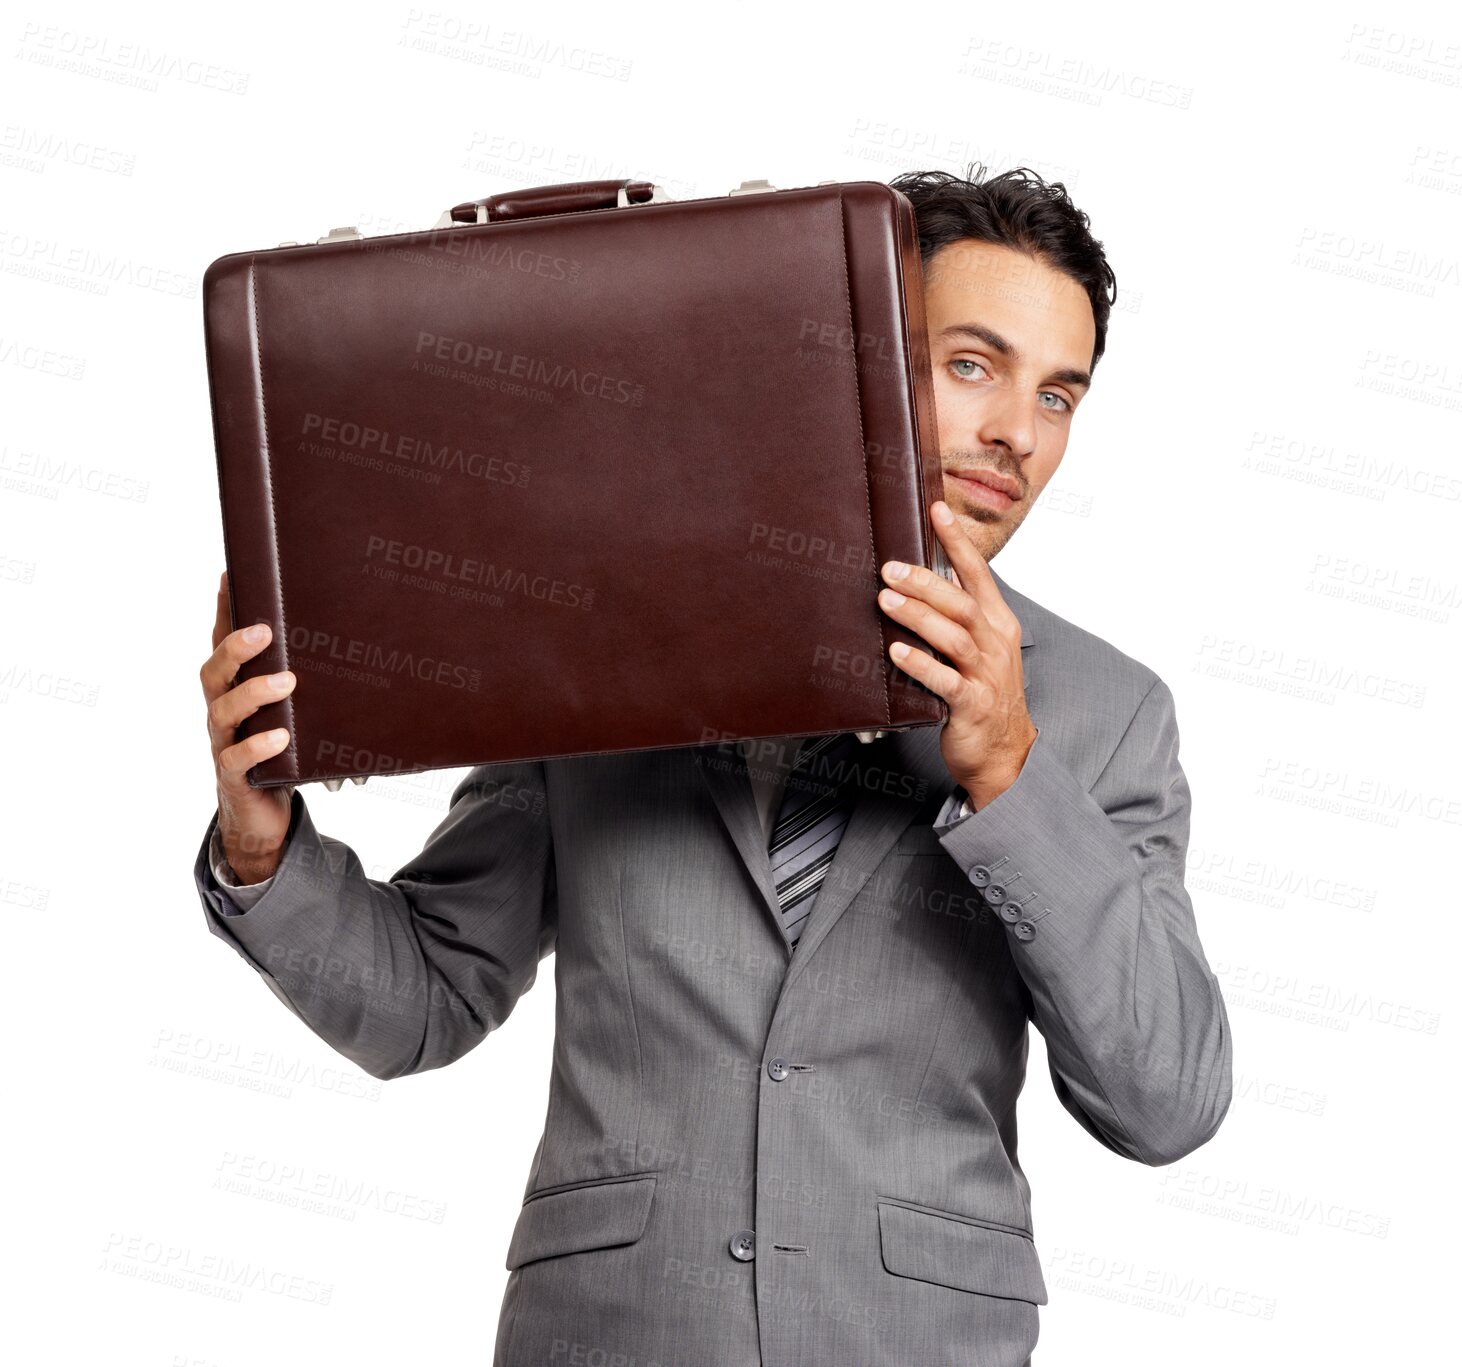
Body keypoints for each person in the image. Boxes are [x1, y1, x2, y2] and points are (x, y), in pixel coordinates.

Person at [195, 166, 1232, 1367]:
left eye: (1058, 393)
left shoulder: (1107, 713)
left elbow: (1166, 1099)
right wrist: (264, 849)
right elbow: (426, 997)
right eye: (969, 364)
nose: (1016, 430)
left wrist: (1008, 769)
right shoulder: (596, 643)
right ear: (841, 358)